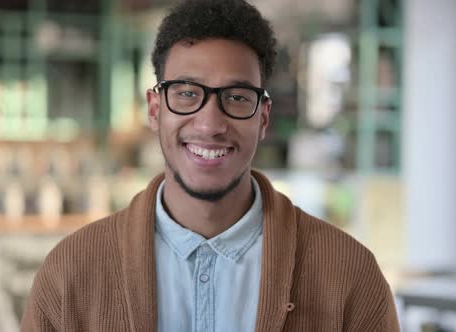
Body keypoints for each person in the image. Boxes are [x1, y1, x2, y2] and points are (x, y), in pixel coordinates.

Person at [21, 0, 400, 330]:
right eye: (187, 94)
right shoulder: (71, 272)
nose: (210, 124)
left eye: (236, 97)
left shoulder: (349, 276)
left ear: (263, 118)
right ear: (155, 110)